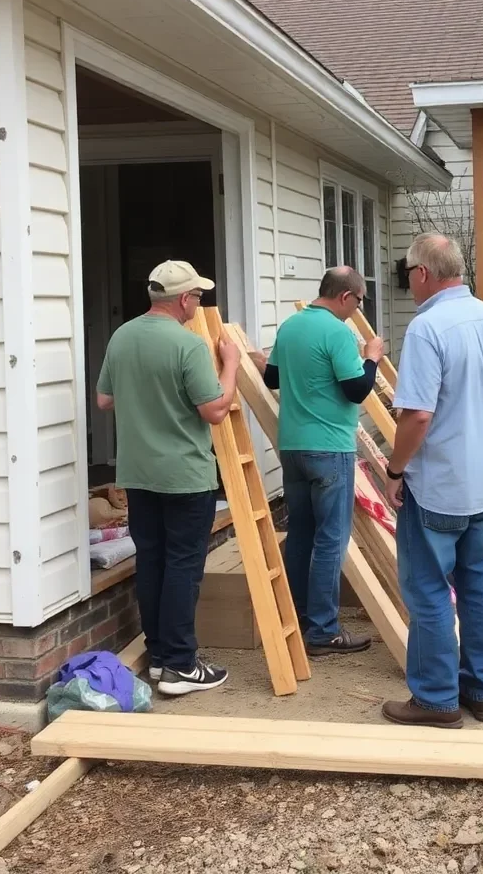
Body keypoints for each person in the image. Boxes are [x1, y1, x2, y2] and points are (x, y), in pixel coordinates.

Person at [381, 233, 483, 729]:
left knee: (429, 591)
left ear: (423, 273)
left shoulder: (427, 328)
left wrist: (395, 469)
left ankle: (436, 699)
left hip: (437, 485)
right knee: (482, 587)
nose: (408, 284)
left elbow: (417, 415)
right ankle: (481, 692)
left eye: (407, 274)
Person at [96, 260, 236, 696]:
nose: (198, 302)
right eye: (197, 295)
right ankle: (179, 666)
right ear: (182, 299)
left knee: (152, 561)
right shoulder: (187, 344)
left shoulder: (122, 336)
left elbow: (104, 400)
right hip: (184, 475)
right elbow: (213, 410)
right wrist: (229, 364)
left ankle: (159, 658)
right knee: (182, 566)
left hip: (137, 473)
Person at [254, 267, 384, 656]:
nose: (357, 309)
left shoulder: (291, 327)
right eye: (359, 301)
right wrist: (372, 358)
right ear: (345, 296)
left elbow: (272, 379)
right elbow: (357, 389)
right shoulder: (337, 332)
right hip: (329, 448)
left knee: (301, 534)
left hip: (292, 448)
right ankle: (324, 630)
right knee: (331, 539)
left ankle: (299, 615)